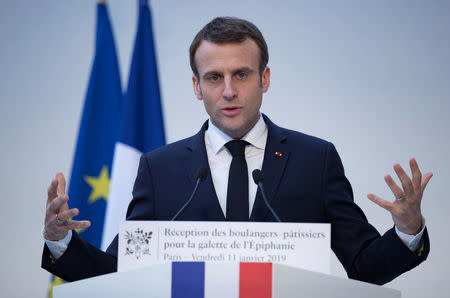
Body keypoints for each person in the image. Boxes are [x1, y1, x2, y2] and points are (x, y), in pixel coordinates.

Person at [42, 17, 432, 284]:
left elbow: (363, 267)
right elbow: (119, 273)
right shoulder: (160, 170)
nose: (228, 91)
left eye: (241, 74)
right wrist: (60, 241)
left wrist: (407, 230)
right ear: (197, 87)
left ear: (264, 78)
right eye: (214, 77)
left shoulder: (315, 160)